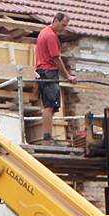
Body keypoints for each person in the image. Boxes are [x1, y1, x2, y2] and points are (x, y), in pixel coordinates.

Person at [35, 12, 77, 145]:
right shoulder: (51, 36)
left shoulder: (43, 32)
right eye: (63, 25)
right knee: (49, 105)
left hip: (43, 71)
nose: (63, 28)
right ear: (56, 20)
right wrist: (67, 76)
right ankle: (47, 138)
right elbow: (56, 58)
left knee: (51, 105)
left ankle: (48, 137)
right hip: (48, 72)